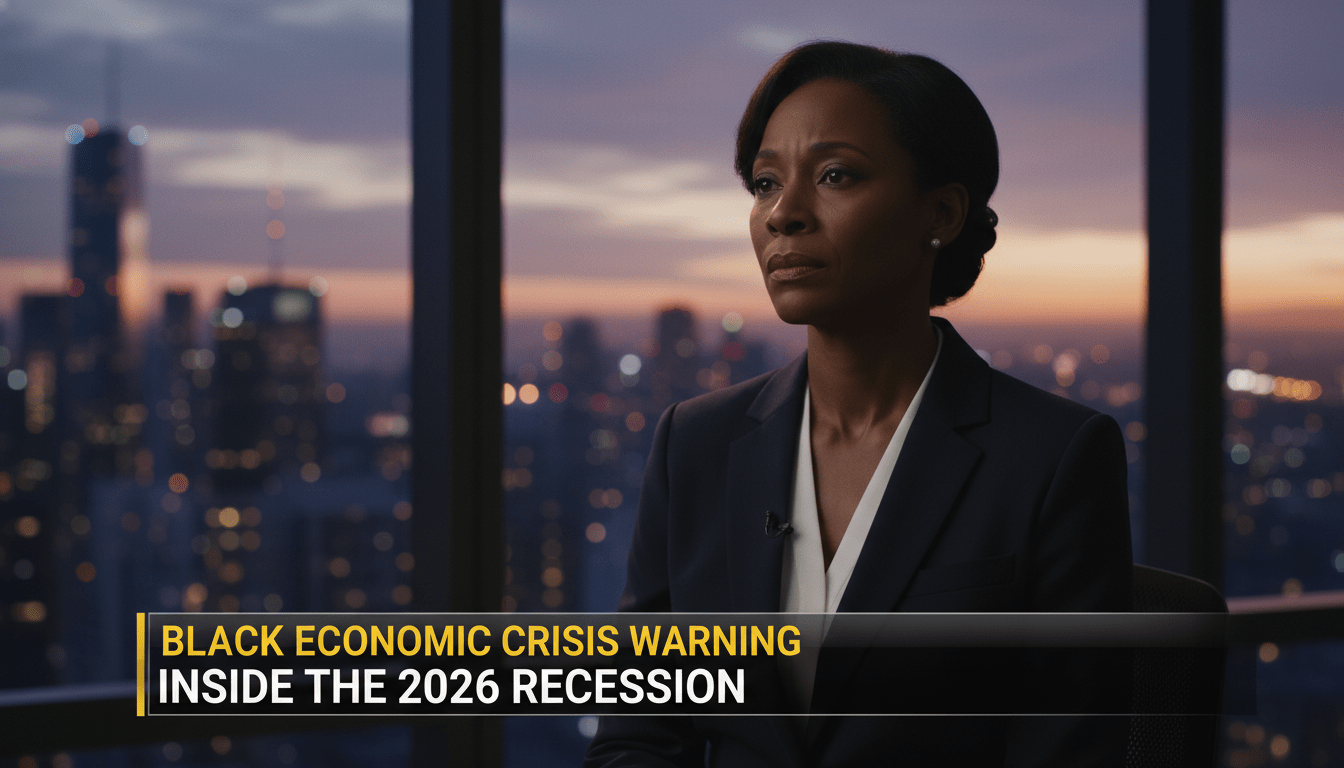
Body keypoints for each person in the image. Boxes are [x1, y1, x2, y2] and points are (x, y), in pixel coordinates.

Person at [584, 41, 1132, 767]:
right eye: (764, 183)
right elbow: (640, 737)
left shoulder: (1053, 456)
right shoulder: (695, 443)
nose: (784, 214)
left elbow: (1068, 752)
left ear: (940, 211)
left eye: (835, 175)